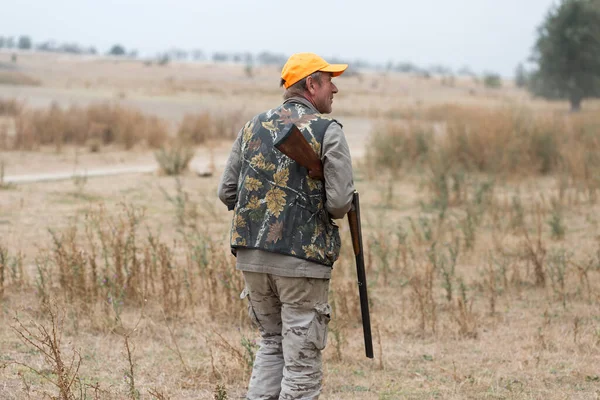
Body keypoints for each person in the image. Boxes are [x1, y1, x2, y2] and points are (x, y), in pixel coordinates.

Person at [218, 52, 355, 400]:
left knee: (271, 345)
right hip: (302, 263)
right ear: (311, 85)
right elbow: (339, 204)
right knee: (302, 367)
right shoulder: (328, 131)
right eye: (328, 80)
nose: (334, 88)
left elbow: (227, 191)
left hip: (251, 258)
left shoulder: (252, 126)